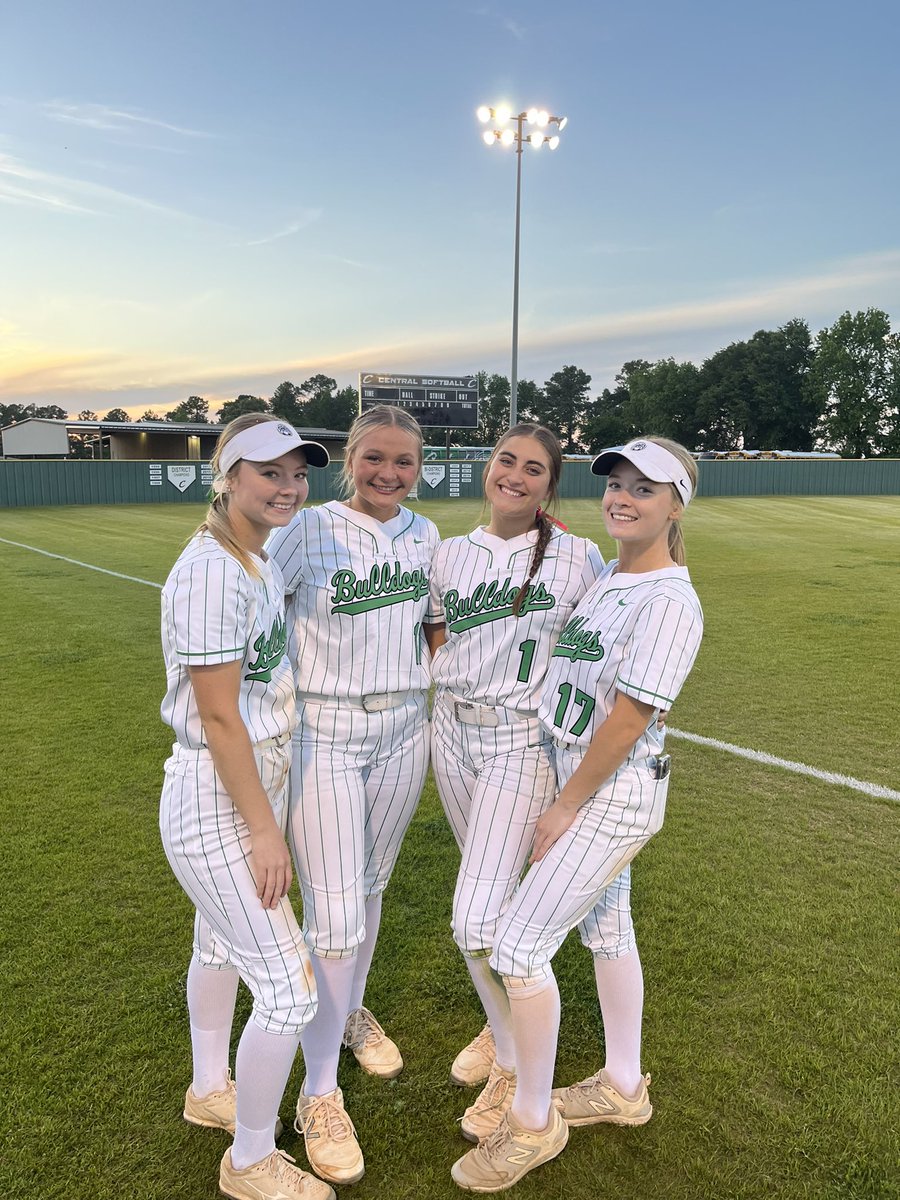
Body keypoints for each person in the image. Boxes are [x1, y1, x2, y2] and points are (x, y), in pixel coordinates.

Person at [451, 436, 704, 1192]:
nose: (623, 497)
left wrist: (563, 806)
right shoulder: (610, 576)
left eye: (645, 489)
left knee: (519, 947)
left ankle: (532, 1121)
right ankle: (624, 1085)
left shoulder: (669, 598)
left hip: (611, 789)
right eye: (617, 484)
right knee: (607, 927)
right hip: (581, 773)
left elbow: (630, 717)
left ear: (676, 504)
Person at [159, 414, 334, 1200]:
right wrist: (266, 829)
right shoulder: (211, 571)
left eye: (297, 472)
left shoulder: (251, 559)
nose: (288, 485)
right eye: (269, 471)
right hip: (220, 793)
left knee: (221, 949)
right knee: (290, 989)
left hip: (241, 779)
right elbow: (221, 716)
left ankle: (208, 1090)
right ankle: (252, 1161)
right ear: (227, 476)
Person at [267, 404, 441, 1186]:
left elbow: (433, 628)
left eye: (403, 461)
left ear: (419, 466)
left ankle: (348, 1015)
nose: (389, 473)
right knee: (332, 914)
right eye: (375, 457)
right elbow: (255, 620)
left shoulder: (427, 535)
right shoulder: (307, 528)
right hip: (325, 732)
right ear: (350, 459)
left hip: (406, 726)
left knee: (370, 891)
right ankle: (318, 1094)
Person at [426, 424, 606, 1141]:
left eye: (535, 469)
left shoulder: (576, 557)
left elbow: (603, 643)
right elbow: (435, 631)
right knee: (489, 899)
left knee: (473, 918)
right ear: (488, 466)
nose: (516, 476)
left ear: (549, 485)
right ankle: (500, 1027)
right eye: (507, 461)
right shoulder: (448, 554)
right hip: (451, 732)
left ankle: (514, 1067)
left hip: (519, 741)